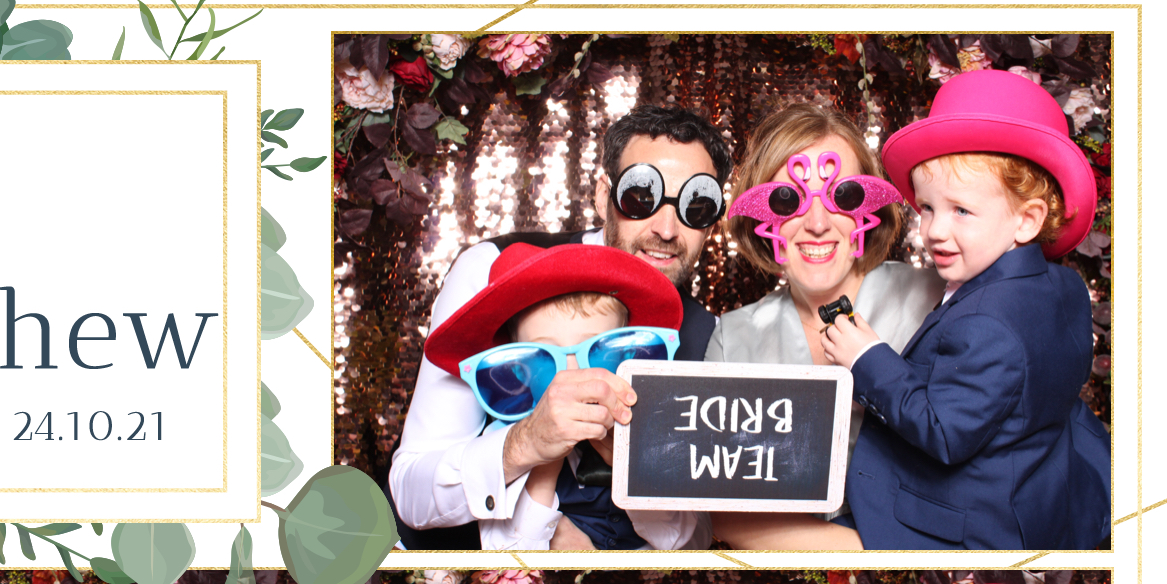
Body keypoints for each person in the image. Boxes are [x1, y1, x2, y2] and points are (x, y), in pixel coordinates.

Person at [390, 106, 732, 551]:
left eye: (695, 206)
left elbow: (697, 534)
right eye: (641, 196)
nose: (666, 229)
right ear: (602, 195)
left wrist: (634, 471)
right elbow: (411, 493)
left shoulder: (709, 338)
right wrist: (524, 444)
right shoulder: (492, 272)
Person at [824, 70, 1112, 549]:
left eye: (961, 210)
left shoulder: (988, 322)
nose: (934, 231)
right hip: (1039, 487)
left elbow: (944, 431)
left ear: (1027, 220)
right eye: (927, 208)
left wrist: (866, 358)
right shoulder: (1063, 285)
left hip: (970, 524)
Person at [705, 102, 944, 550]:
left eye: (843, 196)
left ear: (869, 206)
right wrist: (870, 554)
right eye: (787, 200)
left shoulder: (934, 300)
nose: (817, 223)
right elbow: (721, 508)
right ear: (760, 215)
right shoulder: (733, 338)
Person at [417, 241, 685, 549]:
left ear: (626, 355)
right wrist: (542, 464)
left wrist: (634, 465)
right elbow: (509, 561)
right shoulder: (504, 442)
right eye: (544, 357)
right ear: (519, 370)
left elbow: (688, 540)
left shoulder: (655, 426)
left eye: (597, 351)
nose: (572, 374)